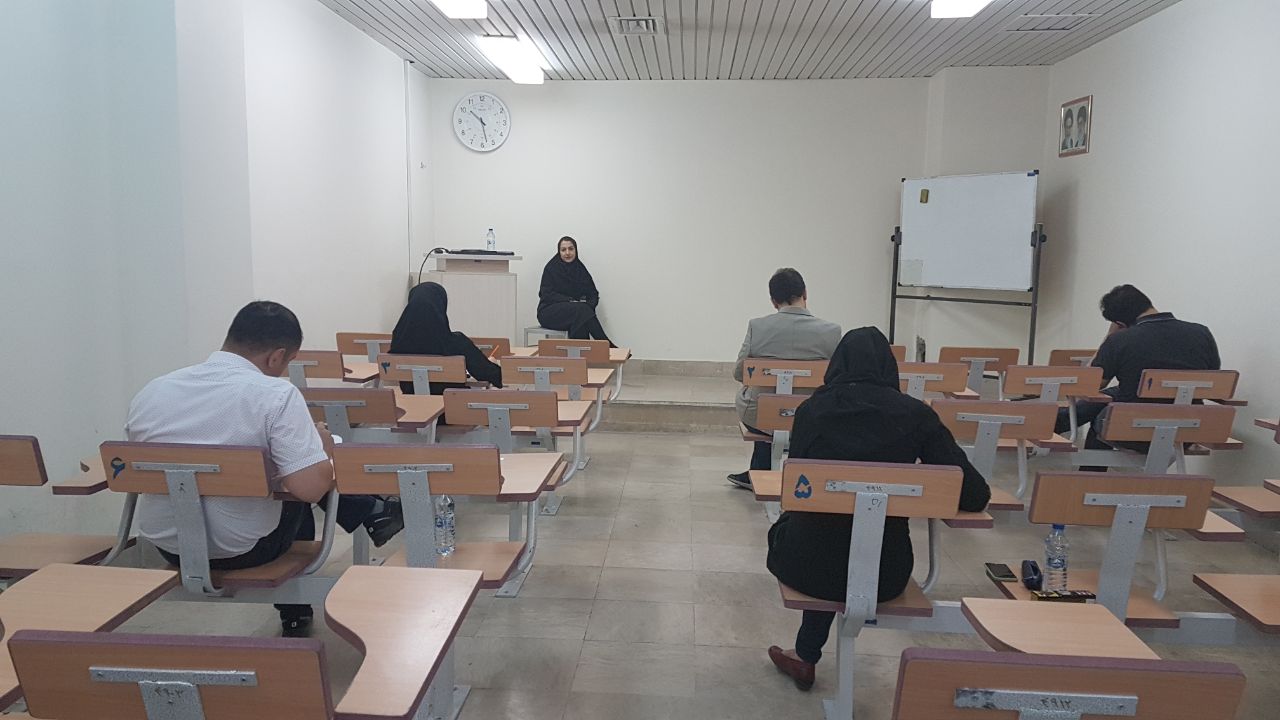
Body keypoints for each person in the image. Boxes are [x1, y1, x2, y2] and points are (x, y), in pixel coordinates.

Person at [127, 301, 404, 637]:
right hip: (243, 549)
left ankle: (372, 513)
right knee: (299, 480)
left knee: (284, 468)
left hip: (168, 545)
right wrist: (320, 447)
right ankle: (296, 602)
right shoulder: (276, 394)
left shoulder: (153, 390)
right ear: (277, 357)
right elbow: (311, 489)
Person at [764, 327, 990, 690]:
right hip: (885, 572)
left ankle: (805, 654)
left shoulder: (812, 411)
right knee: (846, 540)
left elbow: (799, 493)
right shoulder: (916, 415)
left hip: (805, 566)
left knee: (816, 532)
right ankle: (804, 652)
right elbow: (975, 494)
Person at [1055, 284, 1220, 459]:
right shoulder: (1202, 333)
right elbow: (1214, 377)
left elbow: (1089, 385)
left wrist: (1109, 337)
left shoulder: (1120, 340)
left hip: (1131, 429)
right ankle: (1055, 423)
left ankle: (1058, 430)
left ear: (1120, 324)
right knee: (1114, 395)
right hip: (1189, 429)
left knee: (1105, 410)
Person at [726, 268, 841, 489]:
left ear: (773, 301)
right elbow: (837, 378)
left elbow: (739, 372)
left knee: (764, 403)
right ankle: (801, 475)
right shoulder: (832, 331)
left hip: (762, 414)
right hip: (811, 414)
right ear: (805, 293)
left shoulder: (758, 326)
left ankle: (760, 471)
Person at [390, 281, 503, 394]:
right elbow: (492, 376)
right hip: (451, 403)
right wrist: (491, 363)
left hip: (410, 402)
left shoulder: (398, 342)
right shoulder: (457, 343)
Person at [537, 236, 615, 345]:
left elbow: (593, 293)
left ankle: (584, 354)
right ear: (559, 252)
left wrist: (589, 307)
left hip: (574, 312)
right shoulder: (551, 268)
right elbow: (546, 294)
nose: (567, 253)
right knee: (581, 311)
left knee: (581, 318)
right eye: (563, 250)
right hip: (549, 312)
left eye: (571, 249)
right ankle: (607, 346)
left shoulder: (580, 269)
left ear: (575, 250)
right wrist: (569, 300)